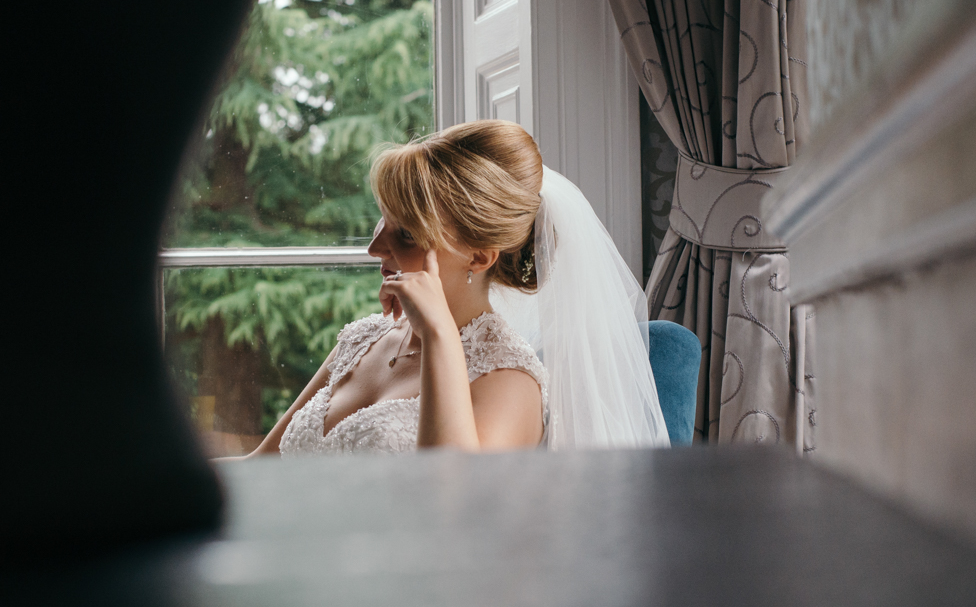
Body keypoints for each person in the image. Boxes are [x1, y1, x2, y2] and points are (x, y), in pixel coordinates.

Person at [239, 119, 669, 457]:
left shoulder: (509, 381)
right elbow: (263, 465)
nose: (374, 248)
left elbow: (455, 510)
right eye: (381, 222)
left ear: (479, 257)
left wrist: (441, 334)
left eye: (405, 234)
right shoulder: (360, 339)